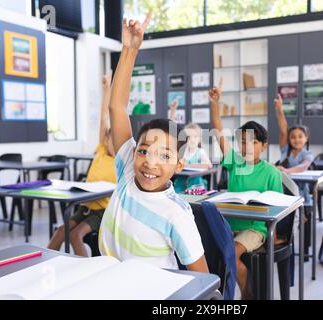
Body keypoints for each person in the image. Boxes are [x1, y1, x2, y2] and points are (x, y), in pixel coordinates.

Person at [98, 15, 209, 273]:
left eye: (165, 156)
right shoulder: (127, 171)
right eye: (144, 150)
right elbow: (117, 106)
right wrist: (130, 49)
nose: (150, 161)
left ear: (179, 165)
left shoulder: (176, 214)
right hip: (107, 281)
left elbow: (202, 280)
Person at [210, 79, 283, 299]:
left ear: (263, 145)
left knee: (231, 253)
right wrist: (215, 103)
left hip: (254, 229)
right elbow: (217, 131)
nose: (246, 147)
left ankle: (246, 296)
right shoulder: (235, 162)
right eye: (242, 142)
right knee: (212, 251)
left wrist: (274, 236)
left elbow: (277, 209)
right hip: (229, 224)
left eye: (252, 142)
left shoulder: (272, 173)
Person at [48, 73, 116, 257]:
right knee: (61, 231)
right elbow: (104, 119)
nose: (111, 142)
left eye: (116, 140)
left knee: (76, 235)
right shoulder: (101, 150)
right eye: (109, 138)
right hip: (83, 207)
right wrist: (106, 89)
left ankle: (84, 268)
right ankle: (46, 262)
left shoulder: (122, 160)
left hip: (102, 212)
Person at [274, 93, 313, 204]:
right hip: (283, 191)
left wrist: (286, 171)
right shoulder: (285, 150)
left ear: (306, 138)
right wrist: (280, 110)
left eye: (300, 136)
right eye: (293, 137)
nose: (296, 139)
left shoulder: (307, 153)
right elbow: (283, 130)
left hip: (300, 193)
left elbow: (303, 166)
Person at [169, 99, 213, 193]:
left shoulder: (200, 152)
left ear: (199, 139)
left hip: (196, 185)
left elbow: (208, 165)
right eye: (189, 137)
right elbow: (173, 131)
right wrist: (173, 111)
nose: (192, 140)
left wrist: (190, 165)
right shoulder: (183, 151)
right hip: (181, 183)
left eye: (195, 137)